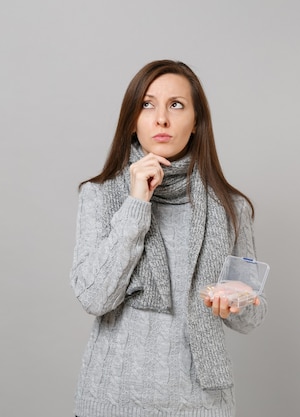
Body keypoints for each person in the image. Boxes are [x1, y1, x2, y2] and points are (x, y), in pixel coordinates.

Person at [70, 60, 268, 417]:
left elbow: (252, 316)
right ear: (132, 121)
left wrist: (238, 303)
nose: (161, 118)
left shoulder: (230, 206)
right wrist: (135, 204)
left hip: (202, 404)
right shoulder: (99, 195)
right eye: (147, 104)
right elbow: (94, 296)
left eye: (176, 105)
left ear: (196, 123)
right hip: (112, 400)